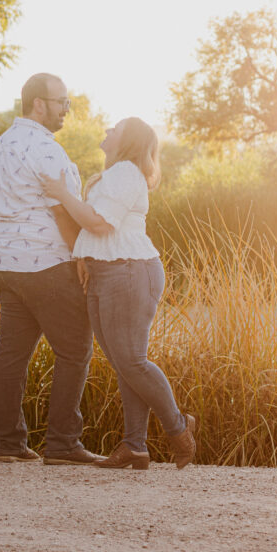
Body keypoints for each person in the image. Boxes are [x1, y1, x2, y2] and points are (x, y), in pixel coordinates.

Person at [41, 116, 196, 470]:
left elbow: (99, 222)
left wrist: (62, 193)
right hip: (106, 271)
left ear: (127, 141)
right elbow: (97, 227)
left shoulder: (126, 172)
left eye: (115, 128)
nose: (107, 131)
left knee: (132, 361)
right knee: (124, 363)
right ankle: (135, 447)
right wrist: (83, 254)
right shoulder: (116, 174)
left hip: (128, 271)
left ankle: (179, 428)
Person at [0, 72, 102, 465]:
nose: (67, 109)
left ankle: (9, 444)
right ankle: (63, 444)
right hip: (46, 263)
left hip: (5, 263)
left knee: (11, 355)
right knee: (74, 349)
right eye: (62, 102)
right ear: (39, 104)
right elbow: (62, 213)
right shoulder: (46, 149)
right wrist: (80, 256)